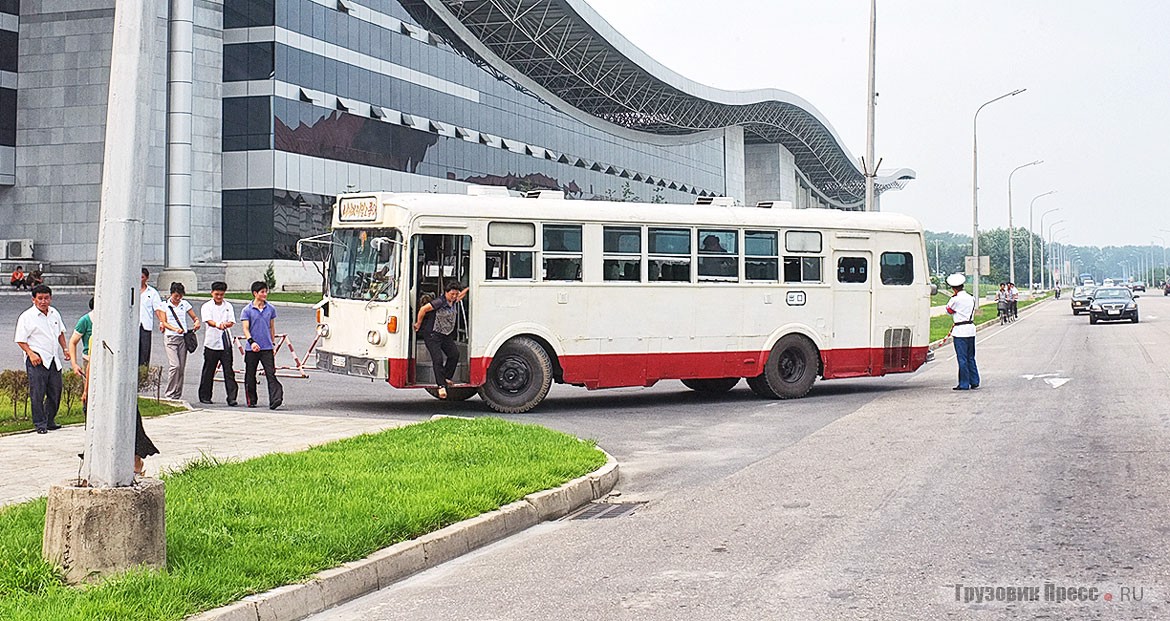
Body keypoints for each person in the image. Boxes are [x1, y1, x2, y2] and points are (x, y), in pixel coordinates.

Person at [14, 284, 71, 433]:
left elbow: (60, 333)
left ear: (50, 298)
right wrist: (30, 353)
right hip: (37, 358)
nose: (43, 301)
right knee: (37, 393)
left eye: (46, 298)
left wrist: (65, 349)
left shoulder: (54, 313)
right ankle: (40, 423)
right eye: (40, 298)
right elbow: (20, 339)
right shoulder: (27, 317)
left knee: (55, 391)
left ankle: (49, 420)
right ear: (34, 299)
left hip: (53, 358)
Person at [413, 282, 469, 399]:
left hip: (445, 334)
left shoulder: (453, 300)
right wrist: (418, 324)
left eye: (456, 294)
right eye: (452, 294)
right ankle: (441, 386)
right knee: (437, 359)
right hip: (433, 334)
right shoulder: (439, 302)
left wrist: (470, 287)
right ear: (446, 293)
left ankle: (446, 377)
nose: (454, 296)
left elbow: (461, 295)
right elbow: (423, 309)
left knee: (454, 354)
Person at [241, 280, 284, 409]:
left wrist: (273, 343)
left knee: (270, 373)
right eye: (262, 292)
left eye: (266, 291)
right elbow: (245, 328)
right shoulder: (247, 310)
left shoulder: (270, 309)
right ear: (255, 293)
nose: (265, 294)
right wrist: (251, 342)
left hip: (267, 347)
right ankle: (251, 400)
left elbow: (271, 327)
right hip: (252, 348)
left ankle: (275, 399)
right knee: (250, 374)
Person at [198, 281, 239, 406]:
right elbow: (208, 320)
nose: (219, 297)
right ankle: (205, 395)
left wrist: (224, 325)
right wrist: (217, 324)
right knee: (209, 370)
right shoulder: (206, 306)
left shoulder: (228, 306)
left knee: (228, 371)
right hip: (211, 342)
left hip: (225, 342)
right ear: (212, 293)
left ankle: (231, 397)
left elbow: (231, 321)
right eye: (217, 294)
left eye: (221, 294)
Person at [158, 282, 200, 400]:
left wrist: (196, 322)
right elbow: (164, 322)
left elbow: (194, 317)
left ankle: (177, 394)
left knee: (181, 367)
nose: (178, 298)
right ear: (171, 294)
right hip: (171, 337)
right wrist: (174, 329)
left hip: (182, 339)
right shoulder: (164, 305)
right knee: (174, 366)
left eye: (180, 296)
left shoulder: (184, 304)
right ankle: (169, 393)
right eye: (176, 296)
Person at [945, 273, 980, 391]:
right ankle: (974, 380)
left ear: (954, 288)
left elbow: (949, 310)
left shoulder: (955, 299)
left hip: (960, 331)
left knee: (962, 358)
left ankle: (964, 383)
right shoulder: (971, 298)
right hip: (970, 329)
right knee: (971, 357)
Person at [68, 297, 95, 412]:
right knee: (89, 391)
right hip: (89, 359)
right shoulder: (85, 320)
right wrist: (74, 364)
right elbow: (73, 342)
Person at [139, 268, 163, 367]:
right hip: (132, 326)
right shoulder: (131, 290)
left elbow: (158, 309)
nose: (140, 279)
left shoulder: (152, 292)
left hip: (145, 325)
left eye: (142, 277)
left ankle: (143, 377)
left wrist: (162, 321)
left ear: (147, 278)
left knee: (145, 352)